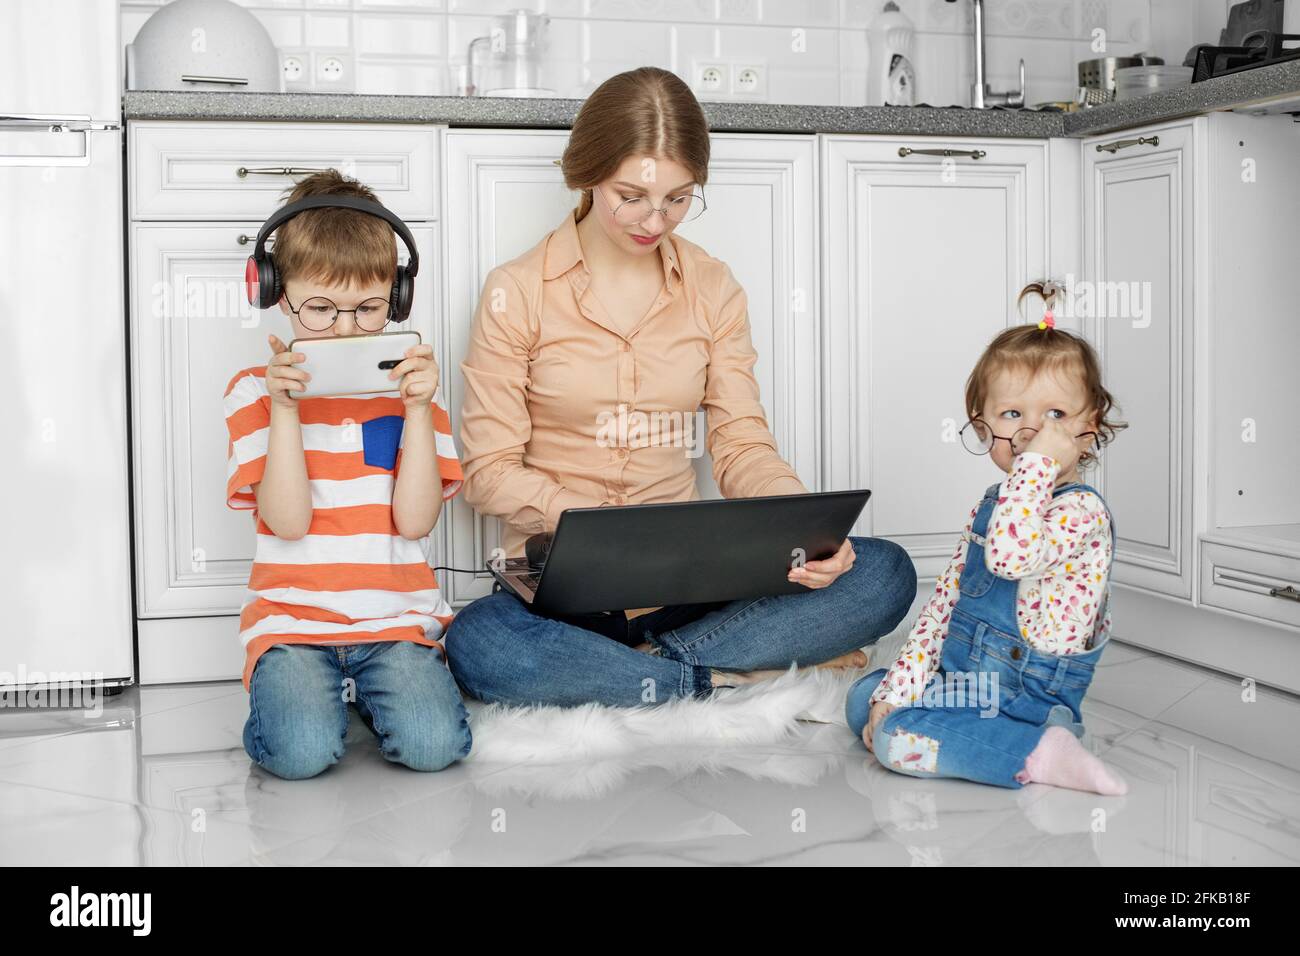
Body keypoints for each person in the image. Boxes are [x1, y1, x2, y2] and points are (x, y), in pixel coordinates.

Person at [447, 67, 917, 708]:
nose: (654, 219)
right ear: (587, 172)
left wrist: (807, 530)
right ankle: (718, 673)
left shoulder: (713, 286)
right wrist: (590, 524)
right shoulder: (517, 290)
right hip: (563, 596)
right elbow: (488, 472)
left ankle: (646, 671)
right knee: (480, 645)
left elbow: (740, 443)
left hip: (691, 588)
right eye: (631, 195)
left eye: (677, 197)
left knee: (884, 573)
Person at [224, 170, 469, 778]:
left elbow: (414, 521)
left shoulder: (415, 396)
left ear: (397, 298)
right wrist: (286, 411)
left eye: (368, 310)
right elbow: (287, 520)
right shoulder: (252, 394)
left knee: (434, 749)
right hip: (292, 624)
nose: (344, 329)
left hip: (395, 623)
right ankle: (313, 698)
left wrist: (416, 410)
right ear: (278, 292)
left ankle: (364, 697)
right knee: (300, 756)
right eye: (320, 309)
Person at [845, 285, 1129, 794]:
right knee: (863, 697)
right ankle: (942, 723)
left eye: (1056, 416)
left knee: (894, 741)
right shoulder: (996, 504)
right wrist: (898, 688)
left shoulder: (1081, 512)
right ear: (983, 427)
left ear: (1090, 428)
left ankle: (1040, 749)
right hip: (964, 682)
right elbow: (944, 607)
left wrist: (1038, 465)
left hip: (1026, 698)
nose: (1032, 432)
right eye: (1013, 415)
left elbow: (1010, 556)